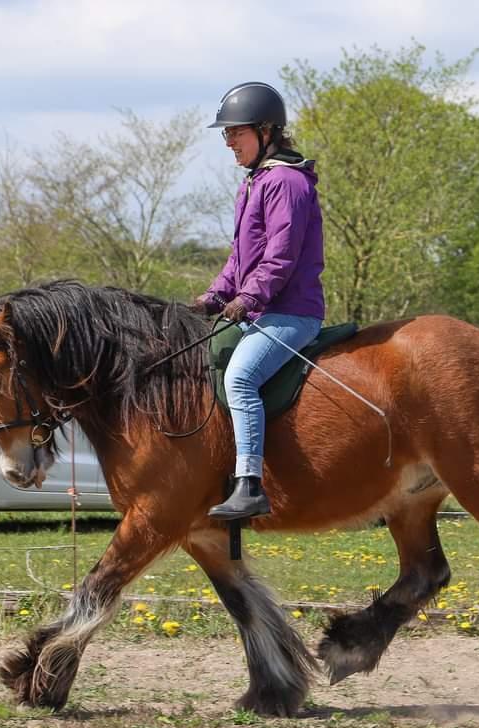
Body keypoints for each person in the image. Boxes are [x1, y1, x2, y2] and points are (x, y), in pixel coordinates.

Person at [193, 81, 325, 521]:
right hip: (263, 309)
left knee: (240, 378)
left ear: (266, 131)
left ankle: (249, 485)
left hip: (291, 313)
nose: (228, 142)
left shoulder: (285, 182)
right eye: (225, 134)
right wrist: (214, 296)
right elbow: (240, 256)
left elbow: (280, 257)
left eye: (236, 132)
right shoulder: (255, 182)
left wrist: (247, 298)